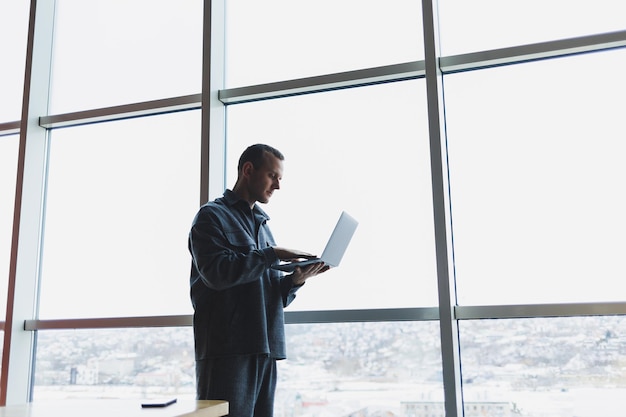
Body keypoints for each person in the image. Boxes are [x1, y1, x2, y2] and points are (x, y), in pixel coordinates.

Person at [188, 143, 328, 417]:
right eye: (272, 176)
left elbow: (269, 293)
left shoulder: (263, 226)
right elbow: (217, 274)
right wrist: (271, 254)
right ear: (248, 170)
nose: (277, 185)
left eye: (280, 179)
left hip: (264, 348)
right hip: (227, 351)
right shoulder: (211, 217)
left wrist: (296, 281)